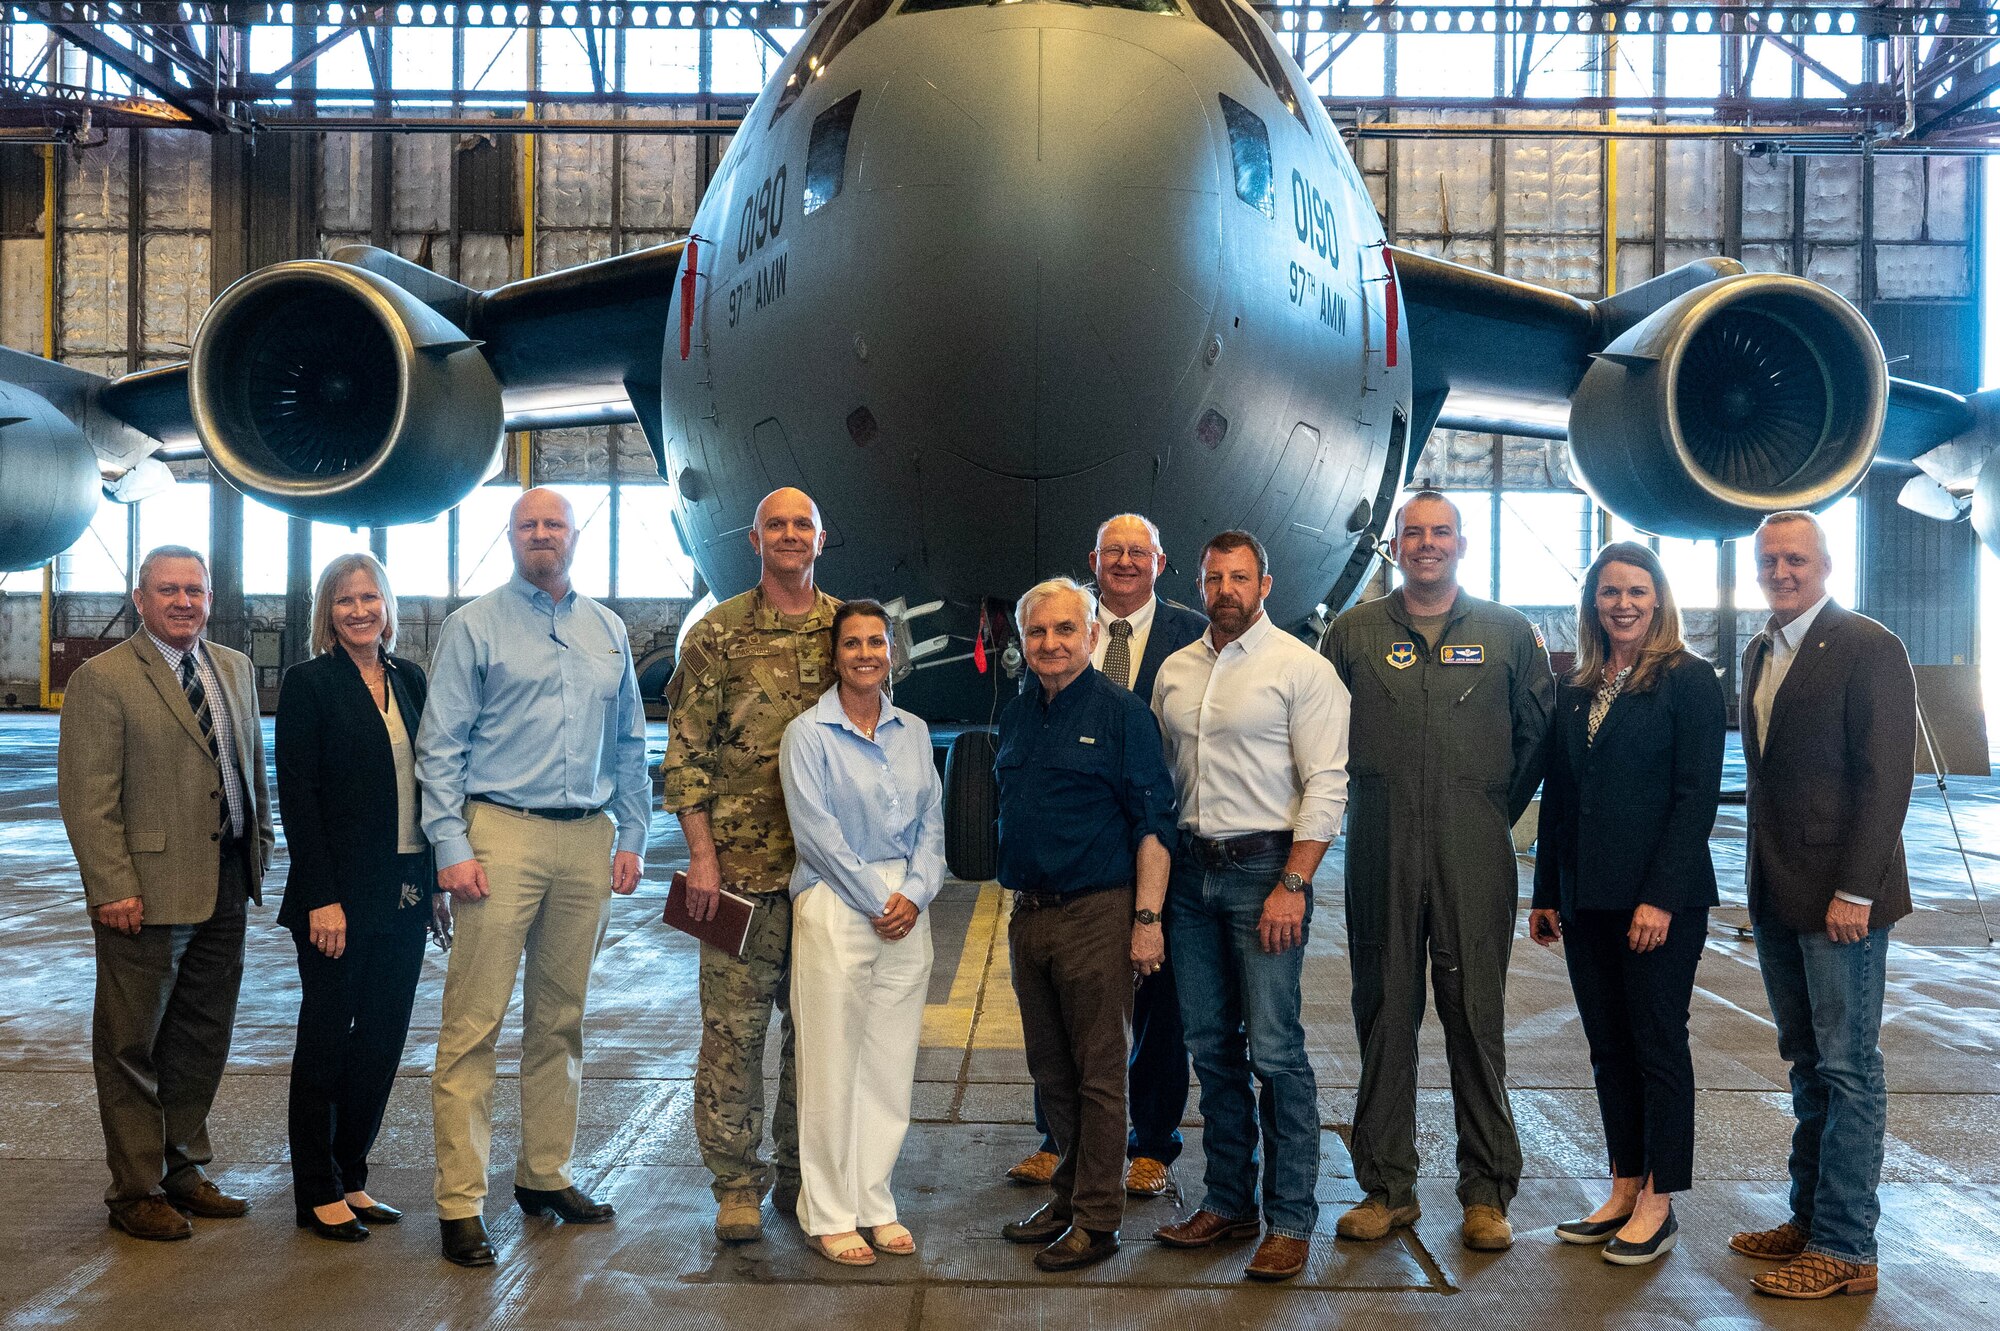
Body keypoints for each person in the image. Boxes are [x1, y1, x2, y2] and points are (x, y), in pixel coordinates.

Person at [417, 488, 651, 1268]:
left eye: (554, 524)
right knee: (473, 1026)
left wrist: (633, 832)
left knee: (561, 1020)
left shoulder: (606, 628)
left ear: (575, 537)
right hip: (499, 834)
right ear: (512, 536)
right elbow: (440, 745)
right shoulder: (473, 625)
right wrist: (450, 845)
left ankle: (544, 1173)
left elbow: (628, 742)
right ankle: (460, 1202)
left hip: (586, 839)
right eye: (529, 525)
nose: (542, 534)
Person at [1320, 490, 1554, 1252]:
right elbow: (1323, 739)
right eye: (1413, 533)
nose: (1427, 544)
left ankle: (1486, 1192)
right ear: (1395, 544)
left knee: (1474, 1018)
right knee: (1385, 1016)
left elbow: (1534, 739)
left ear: (1461, 543)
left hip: (1473, 849)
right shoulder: (1353, 633)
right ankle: (1388, 1188)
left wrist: (1480, 804)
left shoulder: (1508, 633)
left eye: (1440, 533)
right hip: (1379, 845)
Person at [57, 544, 273, 1241]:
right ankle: (136, 1187)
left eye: (195, 590)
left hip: (225, 882)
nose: (184, 601)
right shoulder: (105, 679)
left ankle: (184, 1165)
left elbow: (248, 771)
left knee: (201, 1036)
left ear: (210, 598)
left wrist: (259, 849)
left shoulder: (233, 670)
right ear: (141, 598)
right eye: (168, 590)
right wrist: (112, 884)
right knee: (130, 1043)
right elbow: (89, 798)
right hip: (143, 893)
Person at [1151, 531, 1350, 1282]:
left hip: (1266, 872)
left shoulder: (1302, 668)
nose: (1225, 589)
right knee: (1210, 1048)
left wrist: (1292, 884)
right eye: (1213, 578)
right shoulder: (1175, 670)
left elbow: (1326, 785)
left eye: (1239, 577)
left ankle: (1291, 1219)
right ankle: (1228, 1202)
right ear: (1199, 585)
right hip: (1192, 877)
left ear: (1266, 583)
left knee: (1275, 1050)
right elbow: (1166, 780)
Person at [1730, 510, 1914, 1300]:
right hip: (1778, 891)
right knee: (1807, 1064)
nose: (1781, 570)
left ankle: (1846, 1245)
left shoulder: (1869, 646)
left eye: (1796, 558)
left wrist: (1858, 890)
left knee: (1849, 1069)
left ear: (1826, 564)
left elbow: (1886, 777)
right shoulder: (1759, 650)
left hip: (1843, 898)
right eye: (1770, 559)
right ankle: (1808, 1217)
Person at [1527, 542, 1724, 1267]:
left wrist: (1661, 898)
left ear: (1659, 597)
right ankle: (1621, 1184)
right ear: (1594, 603)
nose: (1624, 604)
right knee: (1609, 1050)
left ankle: (1660, 1199)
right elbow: (1561, 797)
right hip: (1586, 902)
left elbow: (1693, 797)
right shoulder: (1577, 685)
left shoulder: (1688, 681)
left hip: (1657, 906)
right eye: (1610, 592)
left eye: (1637, 591)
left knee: (1656, 1044)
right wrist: (1548, 891)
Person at [1008, 513, 1207, 1199]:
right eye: (1111, 551)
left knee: (1158, 1012)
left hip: (1156, 848)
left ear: (1161, 561)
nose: (1124, 561)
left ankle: (1151, 1143)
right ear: (1092, 560)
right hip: (1071, 869)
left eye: (1138, 551)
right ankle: (1062, 1147)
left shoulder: (1192, 634)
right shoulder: (1033, 691)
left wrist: (1147, 906)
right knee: (1065, 1036)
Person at [662, 486, 840, 1245]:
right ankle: (736, 1182)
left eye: (803, 524)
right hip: (736, 875)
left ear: (821, 539)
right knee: (733, 1034)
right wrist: (700, 857)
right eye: (777, 525)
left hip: (828, 880)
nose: (791, 535)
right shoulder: (719, 635)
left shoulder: (851, 632)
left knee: (818, 1035)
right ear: (755, 540)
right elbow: (686, 756)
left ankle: (803, 1174)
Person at [994, 577, 1178, 1273]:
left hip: (1098, 912)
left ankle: (1098, 1220)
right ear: (1023, 639)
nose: (1050, 643)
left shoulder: (1124, 714)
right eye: (1038, 631)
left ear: (1092, 636)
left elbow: (1153, 825)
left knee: (1101, 1072)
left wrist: (1147, 920)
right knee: (1051, 1070)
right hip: (1029, 915)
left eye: (1064, 630)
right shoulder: (1017, 716)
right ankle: (1068, 1197)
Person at [276, 553, 443, 1243]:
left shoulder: (409, 678)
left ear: (388, 606)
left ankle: (352, 1173)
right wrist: (321, 895)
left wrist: (433, 881)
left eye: (369, 597)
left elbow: (430, 785)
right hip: (338, 899)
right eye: (344, 600)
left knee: (381, 1040)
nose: (358, 610)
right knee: (326, 1038)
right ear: (328, 612)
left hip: (404, 890)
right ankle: (315, 1187)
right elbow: (300, 797)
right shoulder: (309, 684)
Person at [778, 600, 945, 1266]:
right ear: (836, 654)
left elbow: (932, 823)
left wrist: (914, 892)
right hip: (837, 902)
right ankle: (827, 1210)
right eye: (854, 643)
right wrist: (883, 898)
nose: (867, 653)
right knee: (829, 1061)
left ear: (892, 652)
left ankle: (874, 1199)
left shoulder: (914, 730)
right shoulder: (807, 733)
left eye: (878, 641)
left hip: (908, 901)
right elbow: (816, 835)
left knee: (888, 1060)